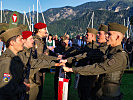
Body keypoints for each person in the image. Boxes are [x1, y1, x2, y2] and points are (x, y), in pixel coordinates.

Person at [63, 23, 129, 100]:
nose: (106, 36)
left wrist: (71, 69)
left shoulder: (120, 56)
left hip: (110, 96)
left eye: (109, 34)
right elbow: (87, 54)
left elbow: (98, 68)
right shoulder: (110, 51)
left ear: (117, 37)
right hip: (100, 93)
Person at [18, 31, 62, 100]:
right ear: (24, 40)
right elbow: (35, 62)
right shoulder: (22, 53)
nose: (33, 40)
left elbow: (41, 57)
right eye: (31, 39)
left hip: (32, 81)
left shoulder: (29, 51)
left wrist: (56, 59)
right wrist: (54, 63)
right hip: (28, 83)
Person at [0, 27, 30, 100]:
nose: (23, 42)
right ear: (12, 43)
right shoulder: (7, 62)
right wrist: (24, 88)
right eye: (20, 39)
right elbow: (6, 88)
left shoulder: (16, 58)